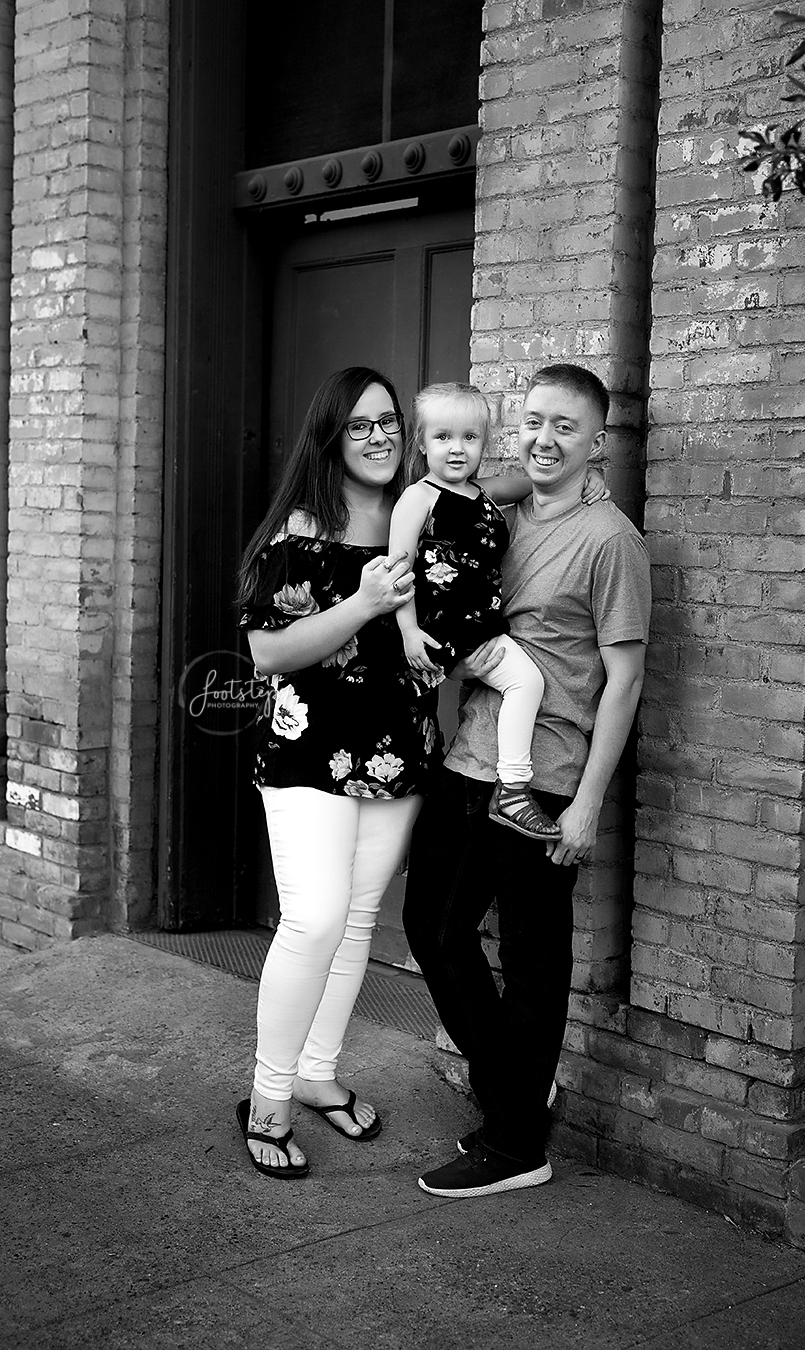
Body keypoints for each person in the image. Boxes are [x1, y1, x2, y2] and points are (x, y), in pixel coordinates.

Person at [403, 363, 652, 1198]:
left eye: (566, 428)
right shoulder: (499, 511)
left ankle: (515, 1144)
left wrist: (587, 804)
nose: (546, 440)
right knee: (432, 929)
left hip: (543, 779)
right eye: (535, 422)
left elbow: (624, 680)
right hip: (466, 756)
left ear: (597, 440)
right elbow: (455, 487)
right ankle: (515, 1083)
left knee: (534, 961)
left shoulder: (611, 541)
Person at [235, 366, 439, 1178]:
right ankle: (268, 1096)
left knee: (356, 921)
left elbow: (495, 475)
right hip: (308, 753)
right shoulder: (300, 531)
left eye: (391, 420)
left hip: (399, 751)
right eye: (361, 425)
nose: (381, 435)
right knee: (313, 920)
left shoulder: (418, 518)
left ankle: (318, 1072)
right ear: (331, 437)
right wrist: (363, 602)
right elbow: (267, 652)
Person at [388, 381, 607, 841]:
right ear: (422, 443)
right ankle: (513, 786)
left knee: (522, 682)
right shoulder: (418, 498)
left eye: (470, 438)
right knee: (527, 681)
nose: (456, 449)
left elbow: (539, 478)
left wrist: (589, 475)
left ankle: (508, 785)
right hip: (447, 628)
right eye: (443, 437)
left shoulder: (481, 492)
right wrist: (408, 631)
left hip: (481, 625)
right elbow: (397, 571)